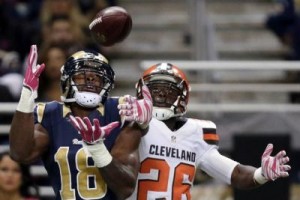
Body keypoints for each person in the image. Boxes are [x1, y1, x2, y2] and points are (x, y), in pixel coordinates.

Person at [122, 62, 291, 199]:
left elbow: (236, 174)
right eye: (154, 91)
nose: (160, 96)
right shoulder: (130, 123)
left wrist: (261, 174)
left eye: (169, 92)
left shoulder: (196, 132)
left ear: (183, 96)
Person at [9, 44, 152, 200]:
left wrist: (97, 148)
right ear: (67, 80)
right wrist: (26, 96)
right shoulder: (51, 115)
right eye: (81, 75)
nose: (89, 80)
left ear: (107, 83)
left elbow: (125, 187)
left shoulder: (120, 111)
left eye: (97, 77)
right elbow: (20, 153)